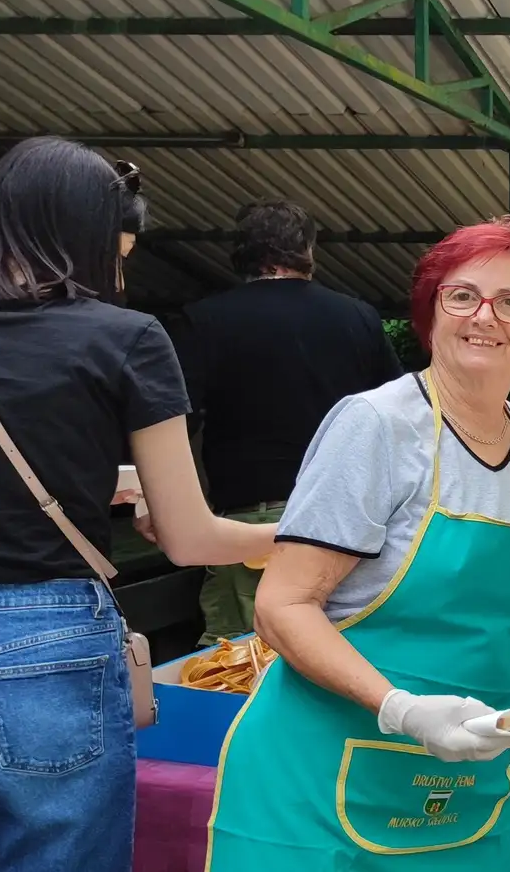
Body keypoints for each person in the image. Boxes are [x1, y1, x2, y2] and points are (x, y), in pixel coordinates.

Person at [205, 218, 510, 870]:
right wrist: (399, 709)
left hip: (469, 797)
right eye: (461, 296)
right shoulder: (375, 426)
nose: (484, 317)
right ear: (429, 315)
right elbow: (282, 604)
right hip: (324, 794)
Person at [0, 138, 276, 871]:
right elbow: (189, 537)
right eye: (114, 256)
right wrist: (296, 537)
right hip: (42, 650)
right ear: (82, 240)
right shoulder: (125, 337)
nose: (118, 277)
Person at [173, 200, 405, 644]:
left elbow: (178, 423)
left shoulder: (205, 320)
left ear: (243, 253)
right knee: (342, 648)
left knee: (243, 660)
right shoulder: (358, 317)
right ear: (308, 251)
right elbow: (399, 417)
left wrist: (163, 502)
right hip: (348, 521)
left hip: (248, 528)